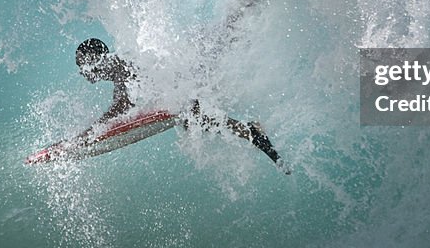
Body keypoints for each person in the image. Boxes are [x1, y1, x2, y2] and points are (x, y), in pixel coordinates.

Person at [75, 36, 286, 171]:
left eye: (80, 63)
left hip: (186, 81)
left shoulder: (117, 65)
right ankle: (250, 132)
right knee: (191, 119)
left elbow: (121, 106)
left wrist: (87, 135)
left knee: (189, 114)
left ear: (94, 59)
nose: (80, 70)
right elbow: (123, 104)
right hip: (182, 82)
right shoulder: (118, 69)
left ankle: (251, 132)